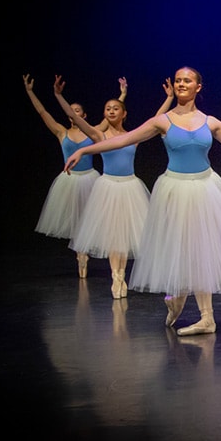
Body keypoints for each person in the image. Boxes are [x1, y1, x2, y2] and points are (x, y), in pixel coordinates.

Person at [63, 66, 221, 336]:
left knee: (201, 248)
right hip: (175, 189)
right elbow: (122, 141)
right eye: (178, 80)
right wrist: (84, 150)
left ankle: (206, 318)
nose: (181, 84)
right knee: (178, 245)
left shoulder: (210, 122)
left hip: (204, 188)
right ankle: (176, 296)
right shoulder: (163, 121)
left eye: (187, 80)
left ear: (198, 87)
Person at [54, 74, 175, 298]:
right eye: (107, 108)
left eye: (115, 108)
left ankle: (121, 273)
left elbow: (156, 119)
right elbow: (74, 116)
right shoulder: (98, 135)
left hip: (129, 187)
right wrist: (58, 95)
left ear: (124, 113)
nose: (111, 111)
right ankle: (116, 276)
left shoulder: (133, 136)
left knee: (123, 236)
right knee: (112, 234)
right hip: (108, 187)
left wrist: (169, 98)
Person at [24, 73, 112, 278]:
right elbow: (42, 112)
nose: (73, 114)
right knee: (75, 220)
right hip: (69, 181)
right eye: (71, 111)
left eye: (77, 111)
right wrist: (30, 92)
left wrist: (122, 94)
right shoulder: (61, 132)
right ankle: (81, 254)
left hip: (89, 178)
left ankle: (83, 253)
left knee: (87, 219)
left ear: (84, 115)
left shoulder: (93, 132)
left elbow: (110, 118)